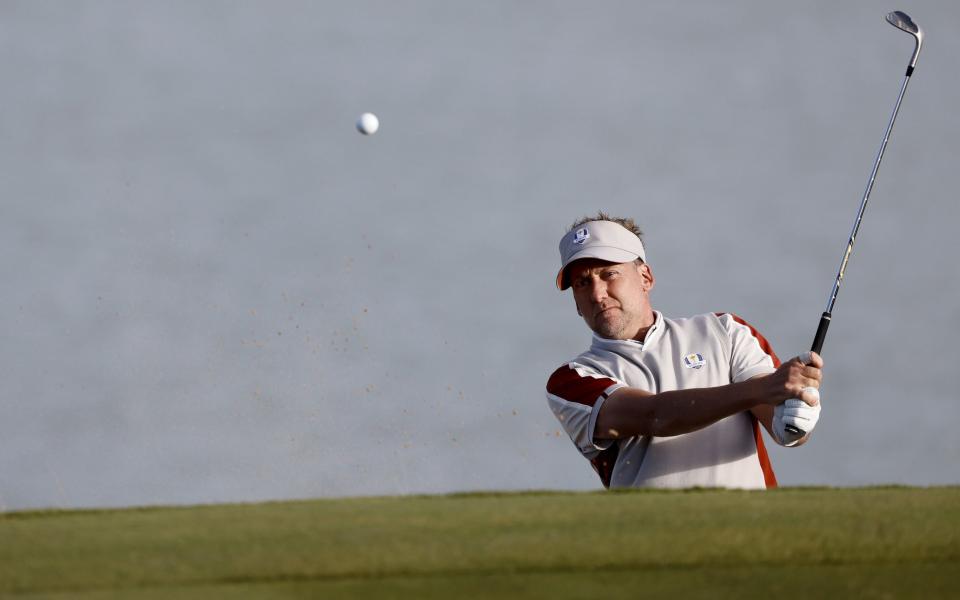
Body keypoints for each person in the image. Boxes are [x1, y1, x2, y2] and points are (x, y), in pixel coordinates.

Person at [545, 213, 822, 489]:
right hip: (649, 532)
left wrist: (797, 414)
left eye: (609, 274)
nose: (597, 293)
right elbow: (653, 416)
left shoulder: (725, 330)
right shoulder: (572, 381)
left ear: (645, 277)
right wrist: (761, 390)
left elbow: (781, 424)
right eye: (583, 283)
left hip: (754, 526)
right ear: (576, 303)